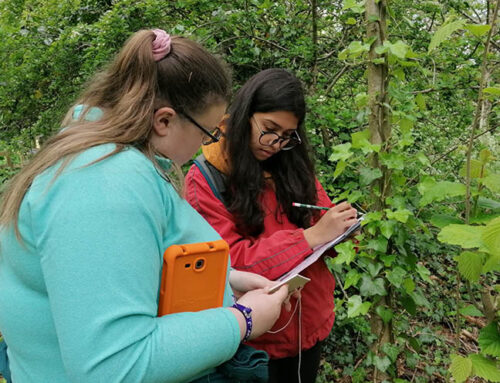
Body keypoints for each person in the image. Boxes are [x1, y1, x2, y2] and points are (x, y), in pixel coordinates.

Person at [0, 30, 290, 382]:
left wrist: (223, 281)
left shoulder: (110, 163)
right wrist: (242, 320)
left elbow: (109, 274)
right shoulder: (103, 184)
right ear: (164, 120)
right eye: (207, 133)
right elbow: (115, 366)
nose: (204, 146)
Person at [185, 68, 358, 383]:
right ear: (244, 113)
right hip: (256, 338)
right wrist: (309, 238)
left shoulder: (292, 165)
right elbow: (229, 263)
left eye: (288, 135)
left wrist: (343, 230)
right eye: (269, 128)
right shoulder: (207, 179)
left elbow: (321, 217)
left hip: (310, 325)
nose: (276, 143)